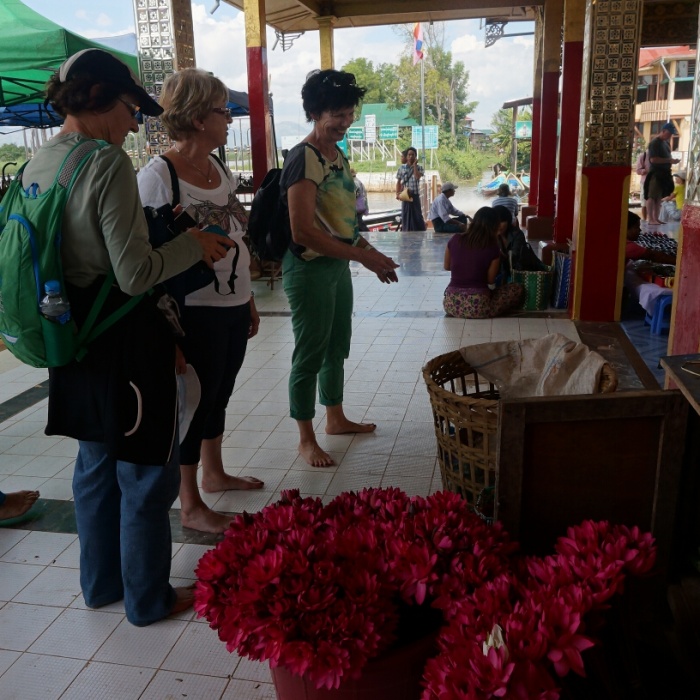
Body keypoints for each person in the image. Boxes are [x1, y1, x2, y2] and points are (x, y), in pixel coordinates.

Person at [35, 49, 234, 626]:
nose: (133, 123)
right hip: (125, 341)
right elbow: (135, 273)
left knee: (94, 467)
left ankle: (100, 585)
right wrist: (192, 245)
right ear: (100, 100)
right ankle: (148, 598)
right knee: (147, 472)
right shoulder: (106, 163)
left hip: (70, 338)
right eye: (130, 109)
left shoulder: (40, 163)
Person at [138, 68, 263, 534]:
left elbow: (234, 236)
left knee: (219, 394)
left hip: (231, 303)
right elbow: (144, 259)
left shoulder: (218, 168)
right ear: (196, 118)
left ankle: (215, 473)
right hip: (193, 311)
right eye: (221, 110)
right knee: (194, 402)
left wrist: (248, 298)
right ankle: (190, 503)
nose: (229, 118)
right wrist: (165, 334)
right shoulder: (159, 176)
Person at [281, 69, 400, 468]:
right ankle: (305, 439)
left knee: (336, 345)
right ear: (315, 113)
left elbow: (343, 225)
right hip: (308, 269)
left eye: (349, 114)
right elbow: (302, 232)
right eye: (337, 114)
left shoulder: (338, 156)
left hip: (336, 266)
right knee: (310, 352)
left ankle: (335, 418)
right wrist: (363, 258)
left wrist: (372, 254)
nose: (345, 122)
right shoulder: (304, 157)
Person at [443, 206, 525, 319]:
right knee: (517, 289)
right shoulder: (493, 248)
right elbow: (490, 281)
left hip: (451, 305)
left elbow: (447, 266)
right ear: (493, 227)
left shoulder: (454, 239)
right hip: (478, 308)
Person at [493, 205, 546, 281]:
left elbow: (515, 257)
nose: (498, 225)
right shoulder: (493, 235)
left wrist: (499, 254)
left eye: (502, 221)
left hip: (522, 272)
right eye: (495, 222)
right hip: (504, 272)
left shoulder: (517, 234)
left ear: (508, 221)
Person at [645, 122, 681, 225]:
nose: (670, 136)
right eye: (669, 133)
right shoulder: (654, 143)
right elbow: (653, 159)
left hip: (664, 173)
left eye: (671, 134)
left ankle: (656, 218)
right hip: (656, 173)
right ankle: (650, 219)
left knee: (658, 197)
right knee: (652, 196)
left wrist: (671, 161)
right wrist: (669, 160)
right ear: (663, 131)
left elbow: (667, 157)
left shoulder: (666, 143)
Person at [396, 146, 426, 231]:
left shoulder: (420, 168)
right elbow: (398, 182)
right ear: (406, 156)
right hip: (405, 195)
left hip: (415, 195)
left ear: (415, 156)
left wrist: (415, 166)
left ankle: (419, 232)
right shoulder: (401, 168)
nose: (411, 156)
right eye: (409, 155)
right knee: (406, 215)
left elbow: (417, 177)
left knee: (417, 215)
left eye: (413, 155)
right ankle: (406, 231)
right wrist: (397, 193)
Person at [351, 167, 369, 232]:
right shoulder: (358, 181)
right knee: (359, 222)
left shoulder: (354, 183)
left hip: (357, 208)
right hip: (361, 206)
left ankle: (367, 233)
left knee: (359, 223)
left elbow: (354, 195)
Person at [634, 150, 651, 220]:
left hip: (656, 183)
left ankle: (652, 220)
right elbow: (638, 171)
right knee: (644, 202)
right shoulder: (643, 156)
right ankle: (644, 220)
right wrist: (646, 170)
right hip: (645, 183)